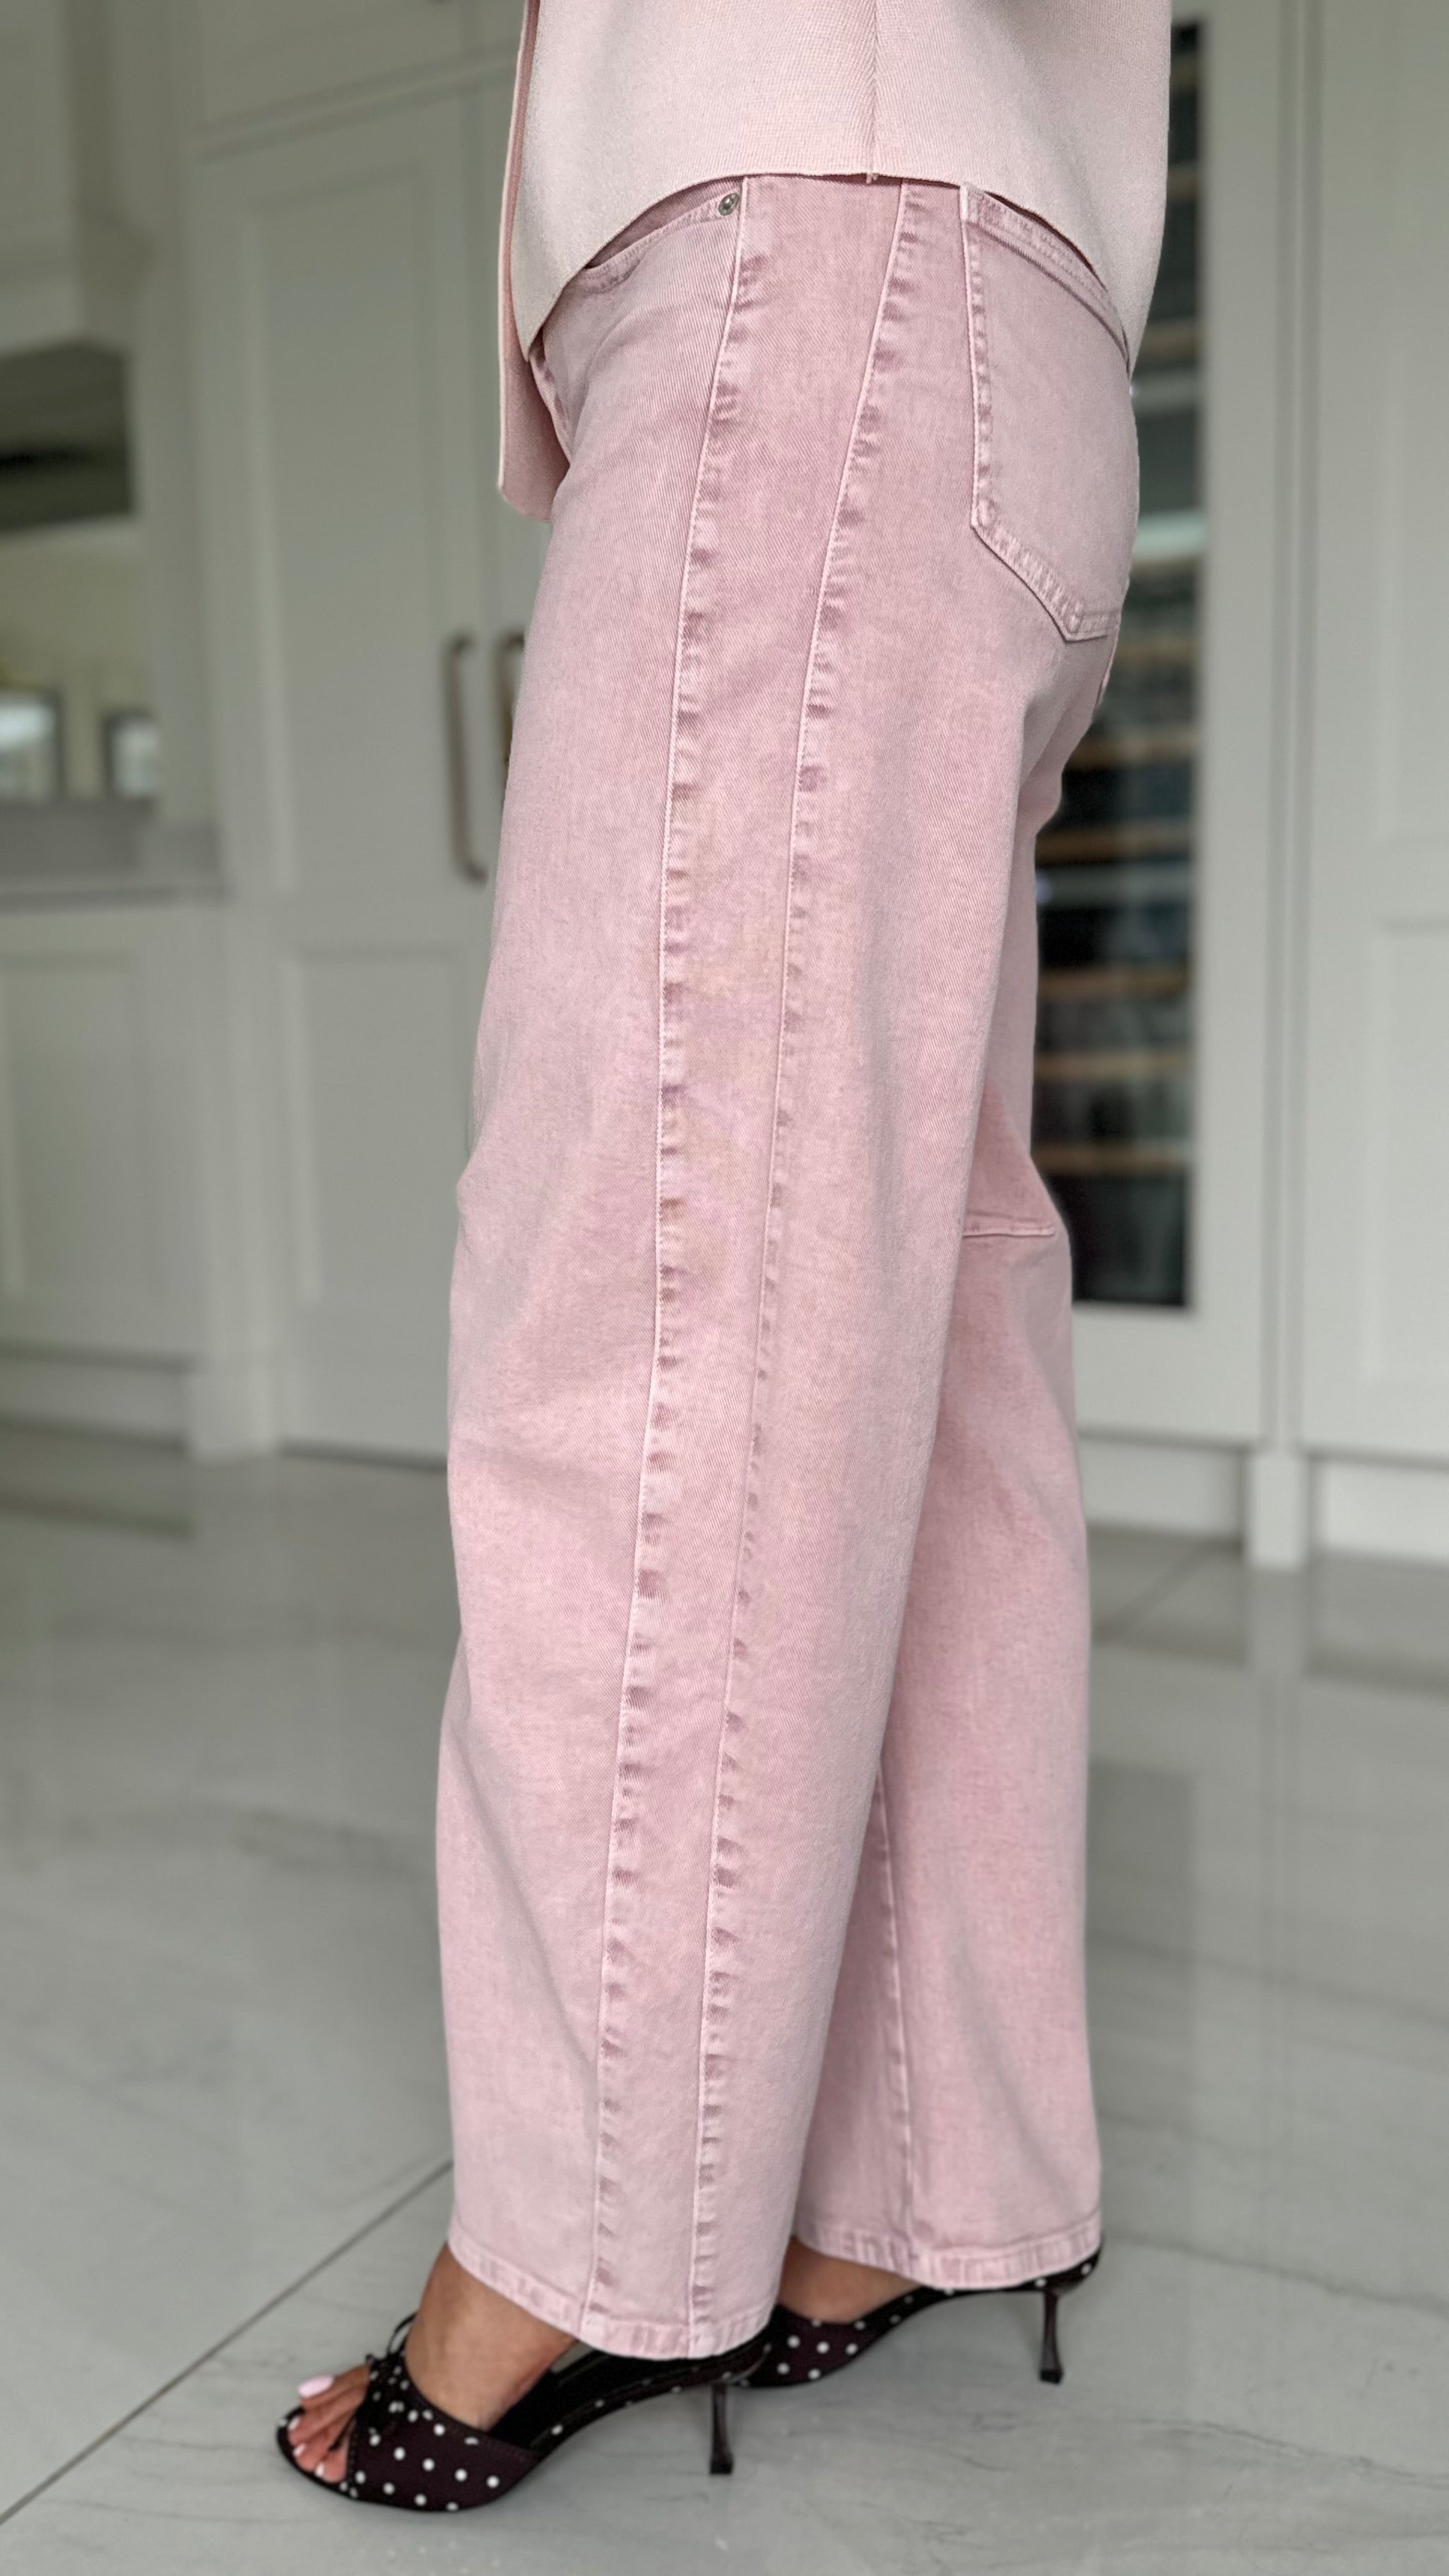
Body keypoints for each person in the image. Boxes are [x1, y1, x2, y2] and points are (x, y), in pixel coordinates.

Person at [280, 0, 1169, 2515]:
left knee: (651, 1294)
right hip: (1005, 330)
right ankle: (919, 2179)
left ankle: (586, 2246)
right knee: (917, 1322)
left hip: (814, 276)